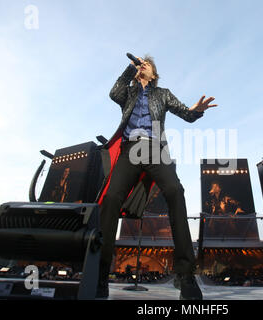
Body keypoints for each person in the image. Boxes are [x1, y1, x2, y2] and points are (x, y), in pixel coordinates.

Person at [96, 55, 217, 299]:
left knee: (175, 191)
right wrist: (130, 68)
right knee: (110, 200)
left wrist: (197, 111)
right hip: (130, 149)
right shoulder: (128, 93)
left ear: (154, 74)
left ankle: (185, 275)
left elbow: (186, 113)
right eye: (141, 64)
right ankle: (99, 276)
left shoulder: (162, 93)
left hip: (154, 149)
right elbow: (114, 93)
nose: (143, 66)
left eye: (147, 65)